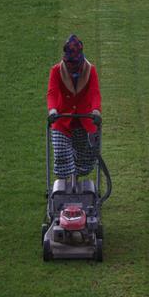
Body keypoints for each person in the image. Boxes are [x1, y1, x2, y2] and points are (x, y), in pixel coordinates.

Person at [47, 34, 102, 187]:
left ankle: (75, 184)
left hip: (85, 120)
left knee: (85, 157)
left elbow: (94, 92)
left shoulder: (90, 71)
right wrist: (52, 110)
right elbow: (52, 92)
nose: (71, 66)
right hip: (62, 121)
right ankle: (64, 189)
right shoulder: (56, 71)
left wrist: (96, 111)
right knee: (61, 153)